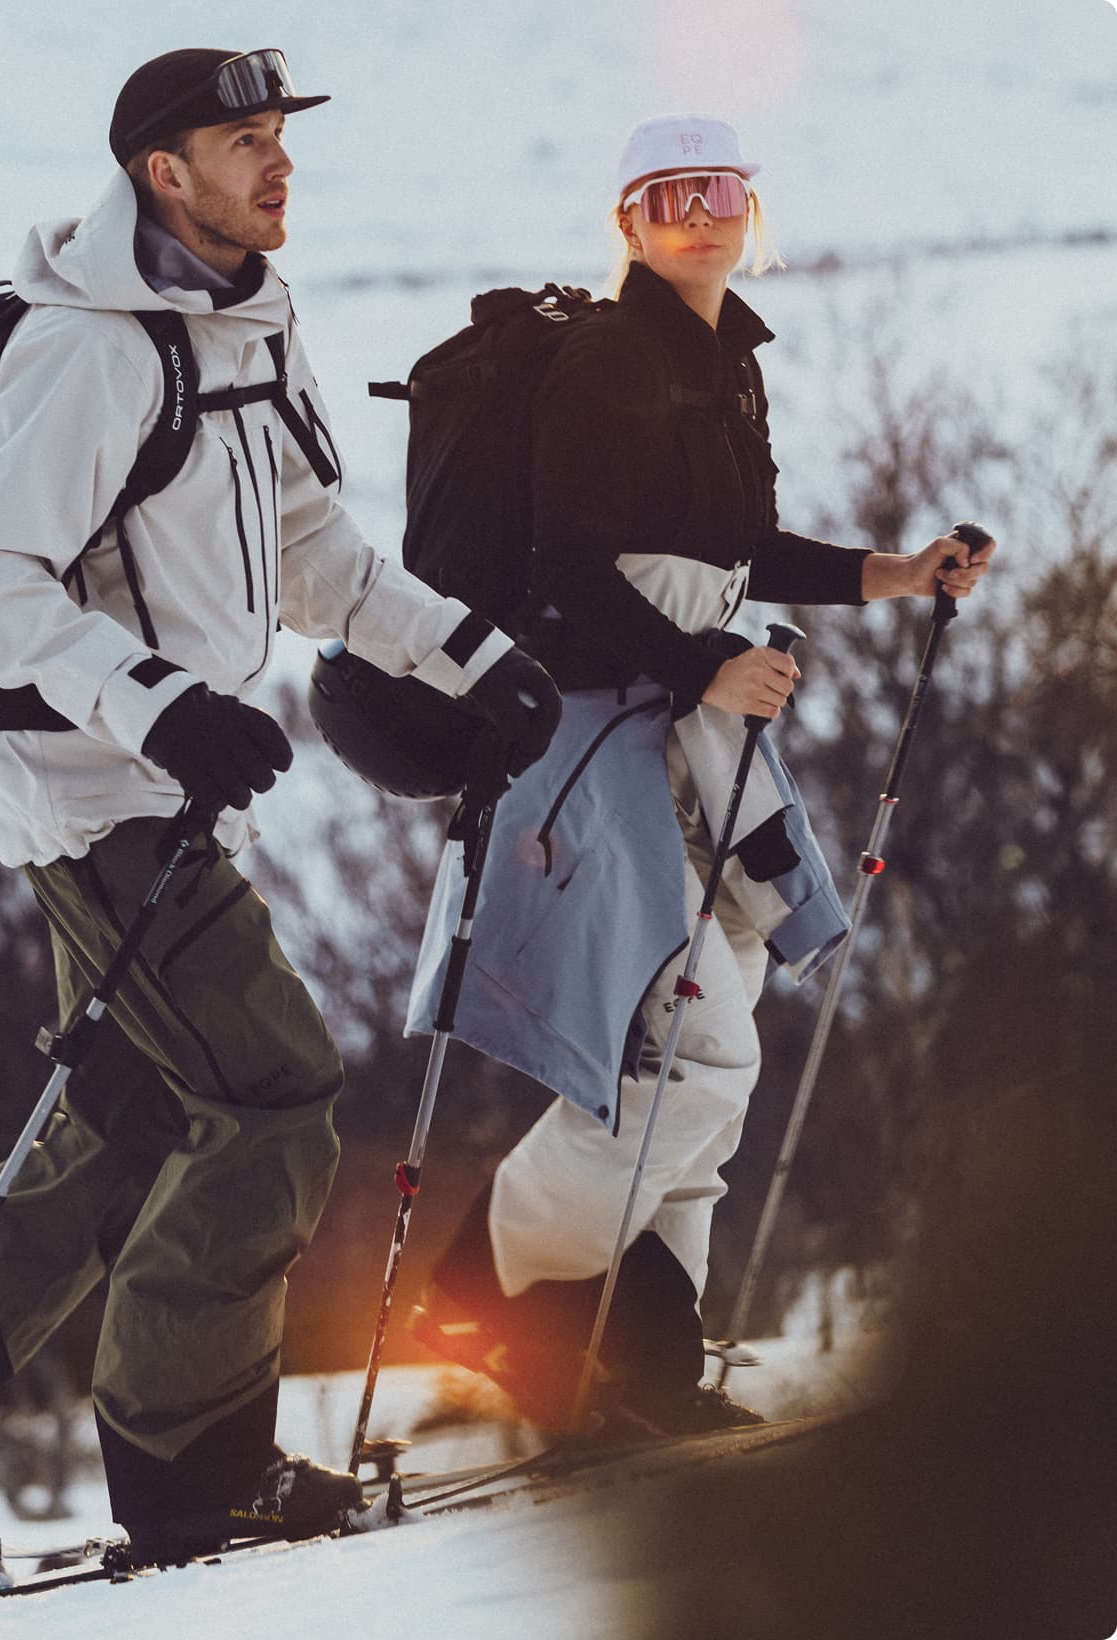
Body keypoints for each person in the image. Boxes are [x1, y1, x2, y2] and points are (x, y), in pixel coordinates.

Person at [0, 47, 559, 1577]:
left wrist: (473, 656)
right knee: (274, 1095)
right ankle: (188, 1463)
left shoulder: (243, 327)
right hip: (96, 797)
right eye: (243, 141)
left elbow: (310, 552)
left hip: (173, 783)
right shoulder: (88, 354)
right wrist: (163, 707)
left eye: (281, 137)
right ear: (164, 170)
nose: (278, 164)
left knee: (134, 1109)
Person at [406, 115, 994, 1436]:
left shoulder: (724, 355)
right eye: (668, 195)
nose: (701, 212)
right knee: (698, 1052)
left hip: (690, 732)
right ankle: (479, 1281)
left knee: (690, 1051)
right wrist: (699, 670)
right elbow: (567, 569)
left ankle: (641, 1356)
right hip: (611, 740)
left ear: (750, 207)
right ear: (627, 220)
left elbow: (733, 548)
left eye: (722, 188)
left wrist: (888, 575)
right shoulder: (611, 357)